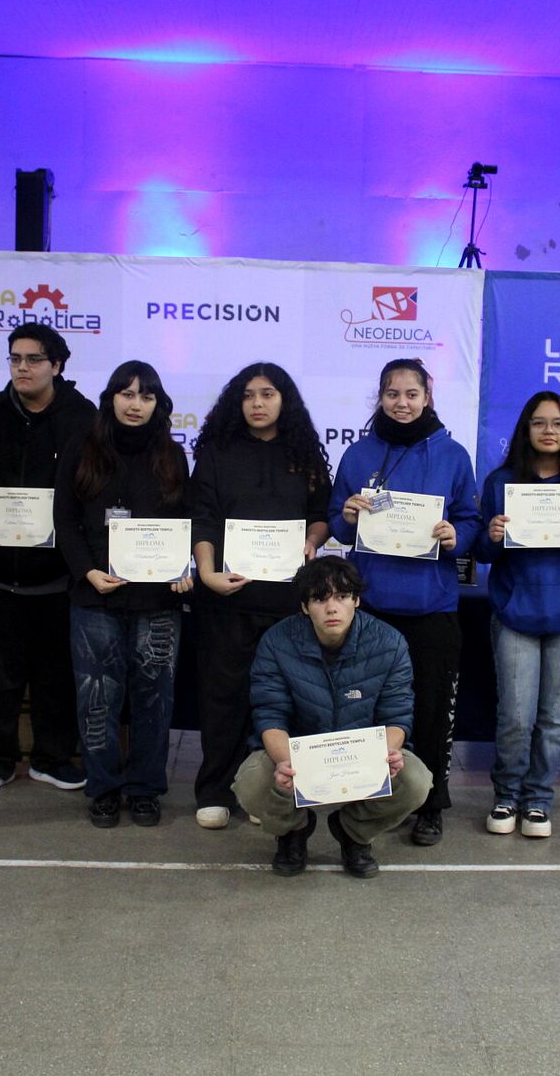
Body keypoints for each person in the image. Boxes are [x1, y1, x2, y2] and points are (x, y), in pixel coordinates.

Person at [328, 358, 480, 847]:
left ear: (427, 397)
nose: (402, 403)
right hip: (371, 608)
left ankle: (430, 806)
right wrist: (348, 517)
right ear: (380, 398)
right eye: (392, 394)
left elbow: (471, 521)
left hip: (432, 608)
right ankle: (371, 801)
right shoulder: (359, 454)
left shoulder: (452, 455)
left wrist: (457, 535)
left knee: (432, 712)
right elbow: (337, 523)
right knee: (368, 712)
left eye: (412, 394)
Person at [189, 362, 332, 829]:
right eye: (249, 395)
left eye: (267, 394)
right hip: (226, 598)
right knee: (223, 698)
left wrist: (312, 541)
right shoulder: (217, 453)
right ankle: (215, 790)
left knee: (280, 701)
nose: (257, 403)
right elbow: (202, 518)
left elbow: (321, 514)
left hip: (286, 602)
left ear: (284, 400)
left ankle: (266, 792)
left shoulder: (304, 454)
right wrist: (206, 573)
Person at [0, 323, 96, 796]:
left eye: (33, 359)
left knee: (57, 676)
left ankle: (53, 759)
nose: (22, 368)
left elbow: (95, 487)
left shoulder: (84, 418)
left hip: (59, 577)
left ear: (57, 365)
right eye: (15, 358)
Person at [53, 360, 192, 828]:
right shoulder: (82, 447)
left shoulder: (172, 455)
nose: (136, 405)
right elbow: (64, 520)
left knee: (155, 699)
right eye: (127, 394)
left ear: (158, 404)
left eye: (146, 396)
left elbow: (185, 521)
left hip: (158, 602)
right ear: (111, 397)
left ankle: (146, 788)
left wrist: (184, 569)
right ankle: (104, 788)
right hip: (96, 597)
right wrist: (87, 571)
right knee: (97, 698)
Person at [237, 556, 433, 878]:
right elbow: (270, 716)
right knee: (251, 781)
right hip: (300, 754)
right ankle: (293, 831)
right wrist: (286, 764)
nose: (332, 608)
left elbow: (397, 715)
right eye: (319, 599)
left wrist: (385, 755)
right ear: (305, 607)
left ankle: (353, 832)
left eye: (342, 597)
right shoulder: (276, 642)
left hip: (360, 757)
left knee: (416, 781)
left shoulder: (389, 643)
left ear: (357, 600)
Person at [473, 391, 560, 838]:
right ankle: (506, 796)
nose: (548, 431)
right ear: (526, 429)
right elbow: (482, 552)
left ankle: (538, 800)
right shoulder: (501, 483)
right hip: (515, 613)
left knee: (554, 718)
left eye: (557, 423)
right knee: (516, 717)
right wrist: (492, 536)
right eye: (539, 422)